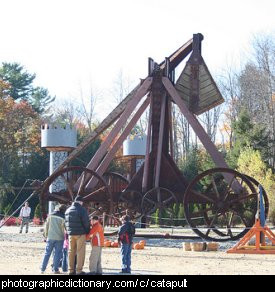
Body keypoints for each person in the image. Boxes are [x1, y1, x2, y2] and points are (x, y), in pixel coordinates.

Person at [65, 195, 90, 275]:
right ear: (81, 202)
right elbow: (86, 222)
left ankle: (71, 270)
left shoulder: (68, 210)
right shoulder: (82, 210)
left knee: (71, 251)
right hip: (80, 234)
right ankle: (79, 270)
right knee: (80, 252)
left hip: (71, 234)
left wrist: (68, 231)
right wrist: (87, 231)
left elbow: (65, 223)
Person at [41, 204, 66, 274]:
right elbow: (66, 228)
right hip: (59, 238)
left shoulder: (50, 215)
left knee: (47, 253)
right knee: (57, 254)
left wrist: (45, 236)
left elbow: (46, 226)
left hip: (50, 237)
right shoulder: (64, 217)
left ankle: (42, 269)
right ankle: (55, 269)